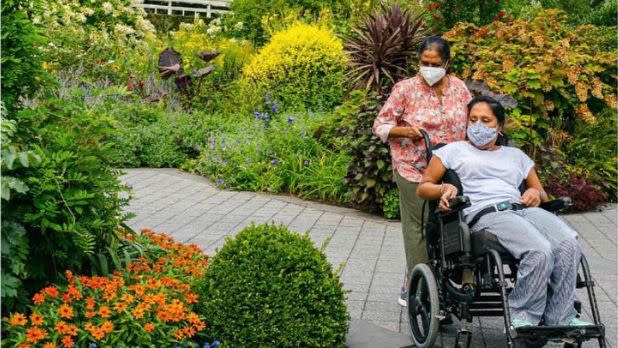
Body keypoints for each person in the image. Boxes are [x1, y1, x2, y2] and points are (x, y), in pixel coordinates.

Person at [416, 95, 592, 328]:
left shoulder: (516, 156)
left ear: (499, 125)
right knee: (540, 250)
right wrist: (444, 188)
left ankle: (562, 317)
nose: (478, 126)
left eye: (486, 120)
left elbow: (541, 194)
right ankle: (523, 316)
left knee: (569, 243)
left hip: (523, 210)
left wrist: (536, 194)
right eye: (473, 119)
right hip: (487, 214)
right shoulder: (452, 151)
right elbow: (423, 187)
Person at [372, 36, 472, 307]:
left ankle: (452, 277)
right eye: (424, 63)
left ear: (447, 63)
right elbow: (380, 124)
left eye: (435, 63)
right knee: (418, 228)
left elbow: (471, 121)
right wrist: (401, 130)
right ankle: (418, 285)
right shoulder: (405, 89)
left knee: (450, 221)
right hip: (412, 167)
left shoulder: (460, 89)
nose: (429, 68)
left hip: (450, 168)